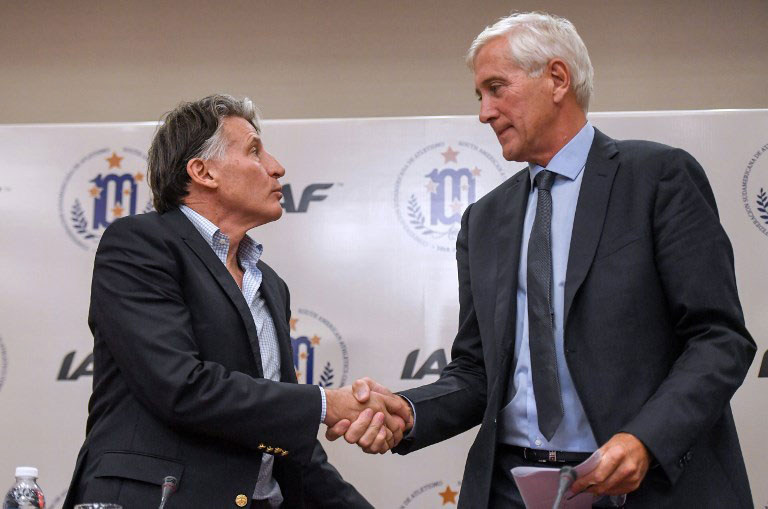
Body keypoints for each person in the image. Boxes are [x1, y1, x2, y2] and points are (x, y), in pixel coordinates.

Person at [329, 12, 756, 508]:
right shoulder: (484, 220)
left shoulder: (657, 179)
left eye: (495, 88)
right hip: (512, 488)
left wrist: (645, 440)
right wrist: (407, 410)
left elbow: (718, 338)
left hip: (643, 488)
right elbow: (476, 372)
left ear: (557, 79)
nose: (484, 113)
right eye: (479, 96)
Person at [63, 94, 408, 509]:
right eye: (254, 151)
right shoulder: (141, 244)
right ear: (203, 171)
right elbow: (180, 386)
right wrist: (324, 403)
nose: (277, 167)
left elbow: (282, 438)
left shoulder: (270, 285)